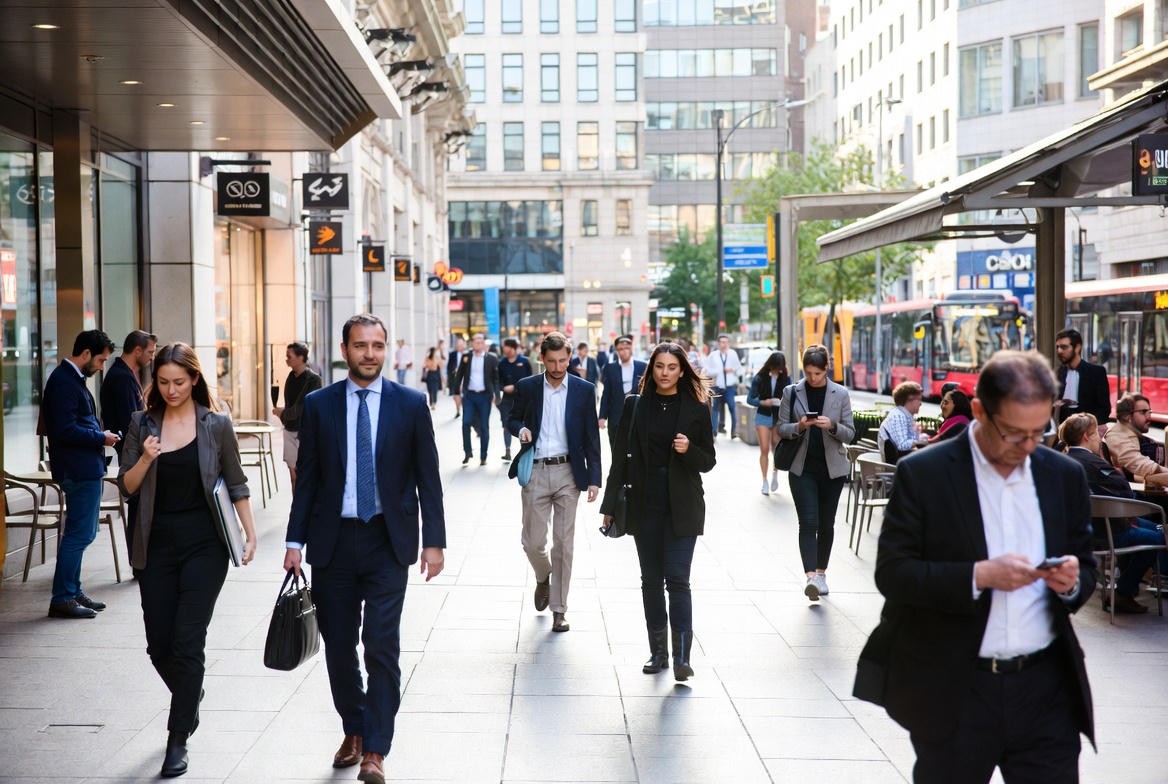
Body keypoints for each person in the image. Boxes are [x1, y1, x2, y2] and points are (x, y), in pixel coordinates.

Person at [862, 350, 1096, 783]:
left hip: (1045, 690)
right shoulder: (924, 473)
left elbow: (1085, 563)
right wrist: (978, 576)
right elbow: (892, 573)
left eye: (1037, 434)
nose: (1027, 448)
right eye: (1012, 434)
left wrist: (1070, 583)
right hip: (956, 688)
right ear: (978, 412)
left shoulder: (1062, 474)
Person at [284, 314, 445, 784]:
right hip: (332, 542)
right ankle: (352, 727)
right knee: (338, 644)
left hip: (386, 541)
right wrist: (294, 540)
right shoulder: (319, 404)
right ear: (344, 348)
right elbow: (308, 479)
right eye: (360, 346)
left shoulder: (411, 405)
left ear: (385, 348)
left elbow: (428, 479)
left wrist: (433, 541)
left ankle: (375, 748)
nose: (369, 354)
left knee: (381, 644)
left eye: (377, 346)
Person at [118, 343, 258, 778]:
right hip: (154, 545)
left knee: (186, 640)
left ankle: (177, 738)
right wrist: (145, 457)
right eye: (163, 382)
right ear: (154, 382)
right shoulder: (142, 424)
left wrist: (250, 533)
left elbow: (235, 481)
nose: (172, 389)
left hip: (205, 545)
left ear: (195, 379)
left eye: (179, 381)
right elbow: (126, 486)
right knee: (159, 645)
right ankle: (189, 692)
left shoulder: (216, 425)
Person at [601, 342, 716, 681]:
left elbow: (708, 461)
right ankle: (659, 652)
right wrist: (609, 507)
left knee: (678, 579)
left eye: (672, 367)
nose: (665, 373)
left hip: (682, 505)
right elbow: (620, 458)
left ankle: (682, 657)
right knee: (651, 581)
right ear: (651, 370)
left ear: (682, 371)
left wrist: (688, 449)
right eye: (659, 367)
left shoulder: (697, 406)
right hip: (643, 503)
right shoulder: (634, 406)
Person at [507, 331, 602, 633]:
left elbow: (591, 437)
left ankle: (559, 609)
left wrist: (594, 479)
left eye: (563, 360)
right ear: (542, 359)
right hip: (534, 470)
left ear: (569, 357)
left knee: (564, 543)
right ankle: (542, 576)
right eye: (552, 361)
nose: (559, 367)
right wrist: (521, 429)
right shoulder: (528, 387)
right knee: (533, 542)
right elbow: (512, 418)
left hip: (568, 473)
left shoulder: (584, 391)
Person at [41, 329, 120, 619]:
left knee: (82, 533)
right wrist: (100, 437)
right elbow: (64, 429)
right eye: (100, 360)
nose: (101, 367)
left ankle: (72, 591)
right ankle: (63, 597)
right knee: (79, 534)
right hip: (79, 469)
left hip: (83, 467)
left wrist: (100, 436)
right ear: (85, 353)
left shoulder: (70, 379)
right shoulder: (64, 381)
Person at [1059, 412, 1162, 615]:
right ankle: (1122, 593)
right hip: (1108, 531)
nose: (1100, 438)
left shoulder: (1066, 458)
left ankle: (1125, 590)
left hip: (1086, 529)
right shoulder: (1093, 463)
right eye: (1097, 434)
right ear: (1087, 436)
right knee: (1159, 538)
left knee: (1153, 528)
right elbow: (1125, 490)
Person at [775, 344, 855, 601]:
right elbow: (781, 429)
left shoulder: (840, 393)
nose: (812, 378)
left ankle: (821, 573)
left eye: (817, 374)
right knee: (808, 522)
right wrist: (799, 426)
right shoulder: (792, 392)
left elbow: (850, 433)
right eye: (808, 373)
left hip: (833, 469)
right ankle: (811, 577)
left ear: (826, 370)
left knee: (826, 523)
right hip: (802, 467)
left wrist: (831, 425)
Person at [99, 329, 157, 459]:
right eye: (150, 352)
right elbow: (130, 422)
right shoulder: (121, 377)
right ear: (137, 351)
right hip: (126, 453)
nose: (152, 357)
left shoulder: (123, 374)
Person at [273, 342, 323, 490]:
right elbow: (291, 405)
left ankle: (306, 509)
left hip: (305, 432)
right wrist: (283, 412)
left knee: (304, 474)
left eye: (289, 356)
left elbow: (303, 408)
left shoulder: (314, 380)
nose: (286, 359)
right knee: (293, 475)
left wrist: (283, 413)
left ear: (301, 357)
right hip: (289, 430)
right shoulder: (290, 376)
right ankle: (297, 510)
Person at [746, 350, 791, 496]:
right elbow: (750, 399)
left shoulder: (786, 378)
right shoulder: (759, 378)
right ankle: (764, 480)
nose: (776, 370)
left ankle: (775, 475)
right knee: (764, 449)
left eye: (779, 367)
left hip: (779, 417)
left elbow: (791, 398)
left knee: (776, 449)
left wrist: (781, 403)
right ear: (770, 365)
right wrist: (763, 402)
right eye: (774, 367)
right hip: (763, 415)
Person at [1104, 393, 1168, 487]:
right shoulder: (1116, 436)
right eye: (1143, 412)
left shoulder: (1129, 433)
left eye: (1149, 411)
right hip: (1137, 495)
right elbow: (1136, 463)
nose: (1149, 416)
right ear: (1127, 416)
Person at [455, 333, 500, 466]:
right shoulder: (466, 357)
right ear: (472, 343)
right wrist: (456, 391)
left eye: (481, 341)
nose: (478, 343)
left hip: (485, 396)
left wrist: (496, 394)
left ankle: (483, 456)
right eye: (476, 341)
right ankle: (467, 452)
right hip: (469, 395)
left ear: (484, 344)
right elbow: (459, 375)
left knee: (484, 426)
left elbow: (496, 378)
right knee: (466, 422)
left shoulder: (491, 358)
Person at [598, 335, 647, 449]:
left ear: (631, 349)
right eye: (620, 349)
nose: (624, 351)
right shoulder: (610, 368)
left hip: (637, 416)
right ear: (616, 351)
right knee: (616, 450)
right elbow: (606, 393)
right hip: (616, 418)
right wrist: (602, 416)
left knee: (635, 451)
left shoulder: (642, 366)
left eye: (627, 348)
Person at [1054, 328, 1111, 426]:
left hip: (1087, 433)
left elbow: (1104, 409)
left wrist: (1086, 427)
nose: (1059, 351)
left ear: (1077, 348)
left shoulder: (1096, 372)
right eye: (1057, 347)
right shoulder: (1057, 373)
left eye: (1064, 347)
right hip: (1061, 434)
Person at [497, 337, 533, 461]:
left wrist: (516, 387)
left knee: (523, 426)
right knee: (506, 425)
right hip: (506, 400)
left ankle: (524, 451)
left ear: (511, 347)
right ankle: (507, 450)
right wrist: (503, 388)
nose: (503, 349)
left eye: (505, 346)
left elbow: (530, 380)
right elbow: (498, 381)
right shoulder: (502, 363)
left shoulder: (524, 361)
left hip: (523, 400)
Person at [877, 381, 929, 463]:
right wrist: (920, 441)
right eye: (919, 399)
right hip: (896, 468)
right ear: (910, 399)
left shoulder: (903, 415)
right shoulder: (899, 416)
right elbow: (902, 445)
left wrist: (918, 435)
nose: (921, 403)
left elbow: (909, 442)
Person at [703, 334, 742, 439]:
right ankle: (714, 432)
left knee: (732, 407)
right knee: (715, 409)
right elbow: (706, 370)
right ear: (718, 344)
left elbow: (739, 369)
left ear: (729, 343)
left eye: (726, 342)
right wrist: (719, 371)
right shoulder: (713, 355)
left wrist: (734, 371)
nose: (724, 344)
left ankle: (734, 431)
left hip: (729, 386)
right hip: (717, 386)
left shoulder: (733, 354)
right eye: (722, 342)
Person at [447, 337, 466, 418]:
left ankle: (465, 409)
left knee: (464, 394)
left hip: (465, 377)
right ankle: (458, 410)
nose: (459, 346)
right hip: (455, 378)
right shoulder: (452, 354)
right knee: (456, 395)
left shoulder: (468, 354)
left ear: (464, 345)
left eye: (461, 344)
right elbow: (449, 366)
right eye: (457, 344)